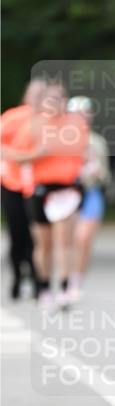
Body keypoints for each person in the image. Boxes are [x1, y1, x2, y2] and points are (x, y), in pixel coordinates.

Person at [11, 81, 87, 308]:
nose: (57, 103)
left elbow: (80, 149)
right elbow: (17, 155)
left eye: (60, 98)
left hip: (65, 189)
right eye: (51, 99)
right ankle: (43, 287)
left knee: (64, 241)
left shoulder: (75, 123)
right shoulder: (33, 125)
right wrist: (37, 153)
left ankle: (65, 287)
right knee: (43, 244)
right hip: (39, 189)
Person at [0, 79, 45, 299]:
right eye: (34, 94)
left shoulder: (49, 121)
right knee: (17, 234)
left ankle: (39, 280)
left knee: (37, 236)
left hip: (38, 185)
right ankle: (17, 277)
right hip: (12, 183)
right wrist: (16, 156)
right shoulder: (12, 117)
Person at [66, 96, 111, 302]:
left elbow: (104, 175)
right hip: (68, 193)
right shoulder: (61, 139)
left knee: (84, 238)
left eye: (85, 114)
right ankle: (64, 278)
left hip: (91, 192)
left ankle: (77, 280)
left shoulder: (97, 142)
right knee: (69, 239)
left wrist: (94, 167)